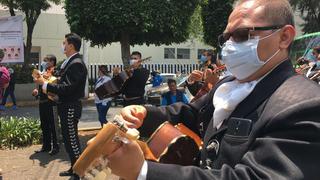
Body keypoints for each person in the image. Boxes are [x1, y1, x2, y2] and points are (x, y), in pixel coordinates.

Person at [106, 0, 320, 179]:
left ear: (284, 37)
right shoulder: (227, 84)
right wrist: (143, 114)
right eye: (225, 38)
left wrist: (144, 171)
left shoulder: (305, 105)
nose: (228, 45)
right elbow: (191, 113)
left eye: (242, 34)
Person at [34, 33, 87, 179]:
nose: (62, 45)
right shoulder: (71, 62)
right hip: (66, 105)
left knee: (72, 140)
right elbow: (62, 82)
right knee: (69, 140)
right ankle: (74, 168)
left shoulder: (76, 63)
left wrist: (45, 84)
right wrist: (48, 80)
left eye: (64, 43)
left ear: (70, 45)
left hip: (70, 106)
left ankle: (79, 171)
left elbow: (68, 88)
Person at [32, 55, 59, 155]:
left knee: (53, 126)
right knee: (44, 125)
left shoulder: (56, 73)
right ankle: (46, 146)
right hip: (42, 103)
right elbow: (40, 88)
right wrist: (36, 92)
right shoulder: (42, 73)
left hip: (51, 103)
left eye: (46, 61)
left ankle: (56, 146)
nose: (44, 62)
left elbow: (55, 89)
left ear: (52, 62)